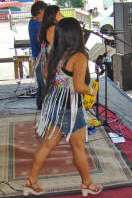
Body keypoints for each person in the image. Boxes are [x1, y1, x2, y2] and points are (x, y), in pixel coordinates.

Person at [23, 18, 102, 197]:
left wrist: (62, 83)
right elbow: (80, 87)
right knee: (78, 147)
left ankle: (31, 180)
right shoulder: (79, 57)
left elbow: (45, 74)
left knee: (47, 144)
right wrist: (91, 91)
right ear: (75, 34)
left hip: (54, 105)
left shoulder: (56, 53)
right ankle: (87, 184)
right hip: (70, 109)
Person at [28, 1, 47, 109]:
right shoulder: (35, 24)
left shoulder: (35, 22)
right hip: (40, 57)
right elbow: (38, 40)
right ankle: (41, 105)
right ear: (40, 12)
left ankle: (41, 104)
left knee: (42, 83)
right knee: (42, 83)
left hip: (40, 56)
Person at [38, 5, 63, 73]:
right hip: (54, 68)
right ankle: (95, 84)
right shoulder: (53, 29)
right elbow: (54, 50)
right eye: (59, 13)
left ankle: (95, 83)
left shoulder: (47, 28)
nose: (62, 15)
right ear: (53, 16)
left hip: (49, 65)